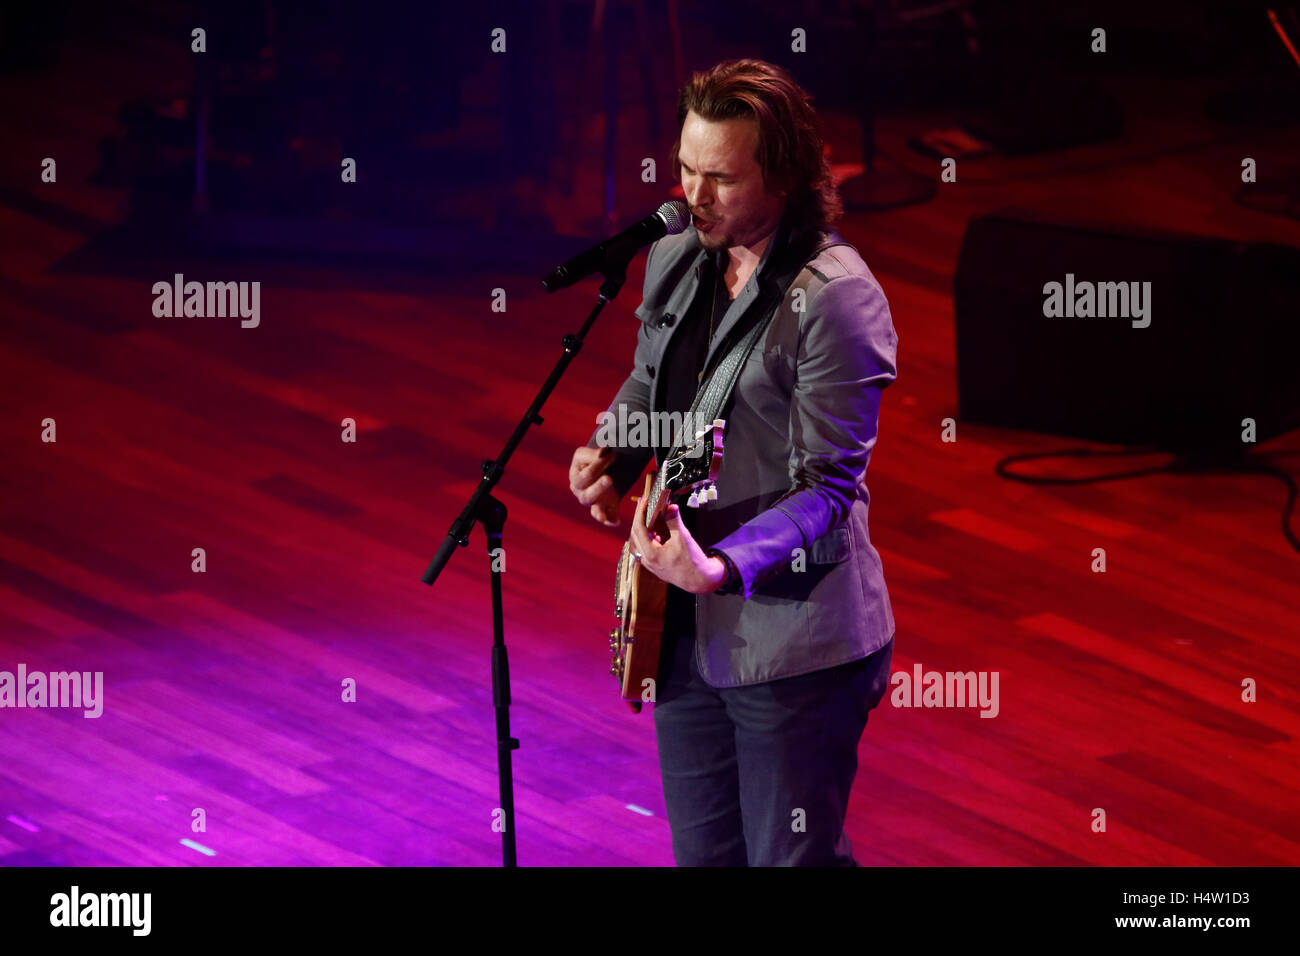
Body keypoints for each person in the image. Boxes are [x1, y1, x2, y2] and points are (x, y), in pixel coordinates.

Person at [567, 59, 898, 866]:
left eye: (720, 177)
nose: (693, 195)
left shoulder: (835, 299)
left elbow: (827, 488)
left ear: (783, 175)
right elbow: (654, 381)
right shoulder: (680, 254)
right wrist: (612, 449)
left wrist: (719, 566)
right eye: (685, 167)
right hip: (682, 625)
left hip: (795, 641)